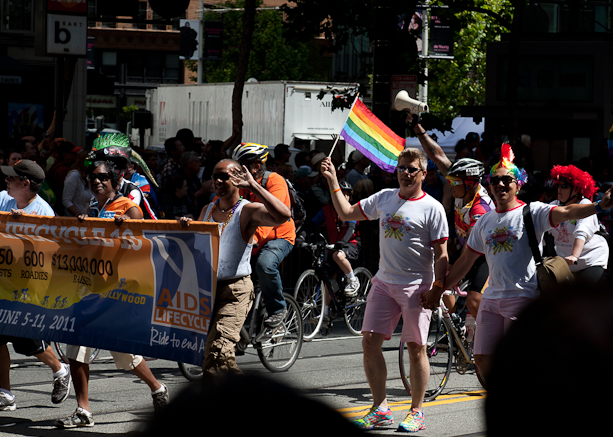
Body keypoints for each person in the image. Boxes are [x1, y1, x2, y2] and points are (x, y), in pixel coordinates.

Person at [432, 143, 613, 383]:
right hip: (492, 300)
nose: (501, 185)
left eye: (507, 180)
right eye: (495, 181)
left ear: (518, 184)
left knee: (518, 362)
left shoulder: (534, 212)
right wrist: (439, 288)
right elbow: (466, 260)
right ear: (490, 186)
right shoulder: (484, 222)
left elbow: (568, 211)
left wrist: (599, 206)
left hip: (522, 298)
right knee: (483, 358)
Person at [320, 148, 449, 432]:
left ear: (423, 174)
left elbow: (442, 255)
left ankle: (417, 411)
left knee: (416, 348)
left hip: (417, 287)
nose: (405, 173)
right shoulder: (385, 198)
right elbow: (345, 211)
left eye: (412, 169)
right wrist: (332, 181)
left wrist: (438, 288)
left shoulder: (433, 208)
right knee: (369, 342)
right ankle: (380, 408)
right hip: (384, 283)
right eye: (401, 168)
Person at [54, 159, 169, 428]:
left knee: (123, 353)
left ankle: (157, 387)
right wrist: (83, 224)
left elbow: (139, 223)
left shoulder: (124, 204)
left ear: (114, 180)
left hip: (117, 290)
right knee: (76, 347)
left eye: (103, 177)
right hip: (90, 286)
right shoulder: (94, 207)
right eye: (92, 177)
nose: (97, 181)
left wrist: (126, 222)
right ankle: (83, 411)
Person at [180, 159, 291, 377]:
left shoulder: (247, 211)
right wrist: (188, 226)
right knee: (217, 359)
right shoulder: (207, 209)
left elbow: (283, 215)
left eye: (225, 176)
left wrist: (254, 187)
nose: (219, 181)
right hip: (206, 291)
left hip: (235, 291)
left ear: (238, 178)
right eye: (215, 176)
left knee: (217, 353)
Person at [0, 159, 71, 411]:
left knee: (28, 343)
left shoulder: (43, 213)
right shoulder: (2, 200)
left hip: (29, 288)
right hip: (3, 283)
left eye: (11, 178)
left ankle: (61, 370)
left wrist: (25, 230)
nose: (6, 181)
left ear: (25, 184)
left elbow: (47, 256)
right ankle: (5, 393)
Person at [410, 114, 493, 318]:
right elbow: (437, 155)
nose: (450, 185)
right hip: (467, 251)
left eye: (454, 183)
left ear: (471, 183)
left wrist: (441, 285)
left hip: (485, 258)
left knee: (472, 299)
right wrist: (418, 129)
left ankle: (486, 338)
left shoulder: (480, 209)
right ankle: (453, 325)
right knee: (436, 275)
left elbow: (468, 255)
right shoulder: (461, 184)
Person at [231, 143, 296, 327]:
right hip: (253, 238)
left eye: (241, 165)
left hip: (280, 236)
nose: (236, 169)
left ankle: (277, 309)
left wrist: (250, 242)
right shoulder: (241, 184)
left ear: (256, 166)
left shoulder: (275, 181)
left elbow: (269, 222)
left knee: (265, 264)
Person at [548, 165, 608, 284]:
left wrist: (574, 256)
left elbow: (582, 231)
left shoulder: (584, 205)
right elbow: (541, 228)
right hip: (565, 264)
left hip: (591, 260)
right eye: (558, 185)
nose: (559, 189)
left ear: (576, 190)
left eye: (564, 186)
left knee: (584, 297)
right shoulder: (553, 205)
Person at [311, 179, 361, 304]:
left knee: (338, 255)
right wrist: (301, 236)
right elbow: (311, 225)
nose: (345, 197)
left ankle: (353, 280)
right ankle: (326, 313)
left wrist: (343, 241)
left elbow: (351, 228)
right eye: (342, 193)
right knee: (328, 278)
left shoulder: (351, 209)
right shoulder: (326, 210)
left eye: (348, 194)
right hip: (334, 245)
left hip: (350, 244)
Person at [62, 149, 92, 217]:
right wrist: (79, 215)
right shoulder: (74, 175)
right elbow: (66, 201)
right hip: (73, 220)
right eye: (89, 161)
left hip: (87, 219)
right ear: (82, 162)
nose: (91, 164)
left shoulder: (89, 177)